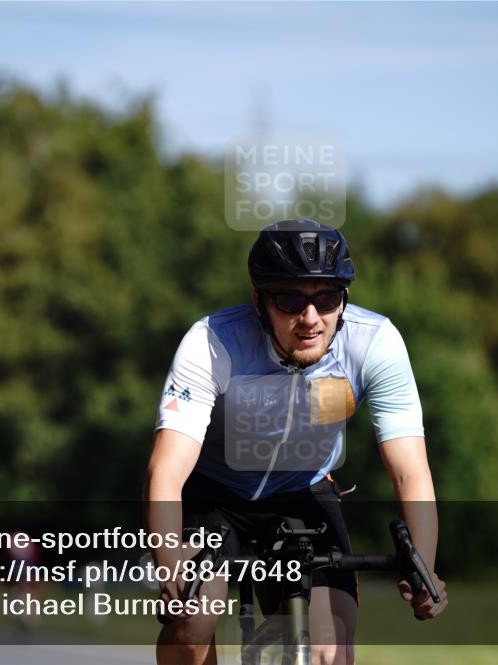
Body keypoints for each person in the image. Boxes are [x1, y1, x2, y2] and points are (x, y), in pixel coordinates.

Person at [144, 219, 448, 665]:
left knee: (329, 650)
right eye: (290, 300)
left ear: (343, 300)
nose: (309, 318)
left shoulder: (374, 345)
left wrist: (424, 564)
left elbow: (410, 470)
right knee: (193, 622)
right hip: (214, 495)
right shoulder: (213, 343)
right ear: (259, 302)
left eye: (326, 299)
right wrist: (169, 560)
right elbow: (166, 469)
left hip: (304, 493)